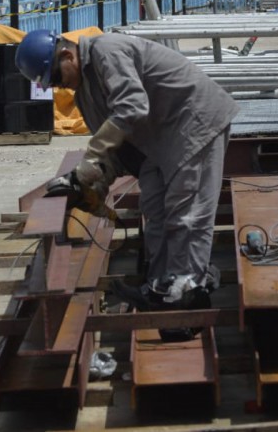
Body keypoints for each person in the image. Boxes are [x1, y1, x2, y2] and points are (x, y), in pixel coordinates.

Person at [15, 29, 238, 317]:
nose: (59, 87)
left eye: (57, 78)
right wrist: (91, 181)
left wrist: (91, 157)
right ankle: (160, 286)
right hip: (159, 139)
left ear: (68, 55)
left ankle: (186, 293)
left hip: (193, 123)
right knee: (155, 210)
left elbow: (132, 106)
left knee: (187, 214)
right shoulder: (85, 92)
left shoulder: (107, 51)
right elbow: (114, 149)